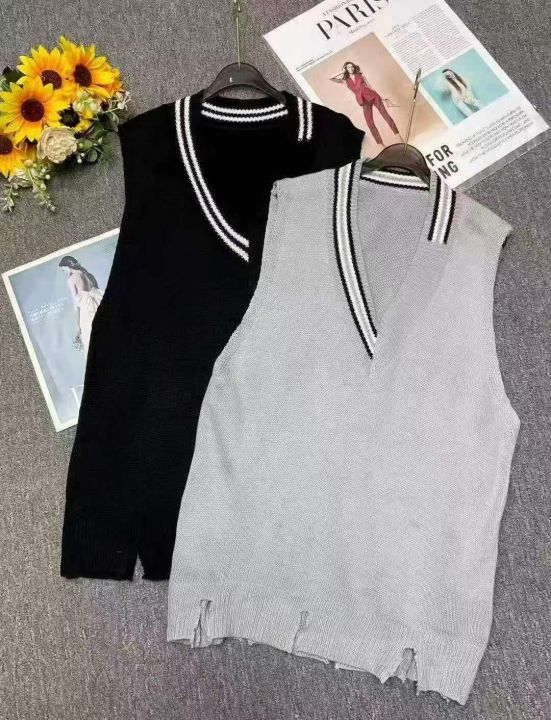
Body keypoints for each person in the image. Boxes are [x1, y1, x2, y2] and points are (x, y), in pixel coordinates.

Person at [331, 61, 400, 145]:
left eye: (352, 67)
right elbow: (331, 78)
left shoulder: (361, 75)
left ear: (354, 67)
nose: (351, 68)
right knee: (370, 123)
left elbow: (370, 87)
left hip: (373, 97)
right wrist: (342, 72)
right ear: (346, 69)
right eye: (348, 67)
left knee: (386, 116)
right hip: (363, 102)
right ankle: (380, 143)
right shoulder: (345, 81)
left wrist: (381, 97)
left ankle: (398, 135)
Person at [58, 255, 104, 352]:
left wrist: (77, 325)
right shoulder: (89, 275)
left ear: (68, 266)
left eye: (63, 270)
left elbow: (76, 304)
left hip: (87, 310)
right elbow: (97, 290)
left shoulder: (71, 279)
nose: (64, 273)